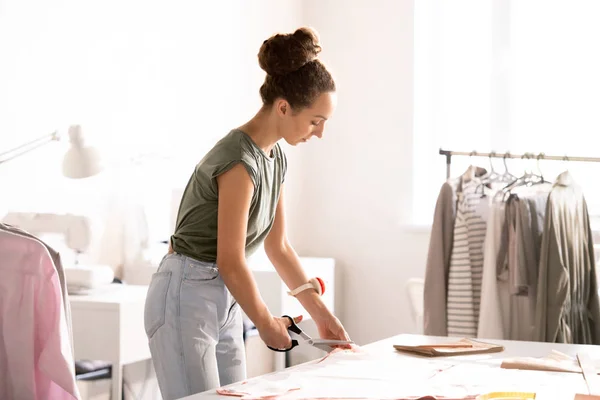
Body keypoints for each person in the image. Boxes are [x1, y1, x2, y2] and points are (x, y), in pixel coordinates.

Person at [143, 26, 351, 399]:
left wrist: (324, 316)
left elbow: (279, 248)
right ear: (283, 107)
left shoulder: (275, 159)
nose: (318, 133)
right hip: (185, 294)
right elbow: (231, 260)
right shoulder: (239, 161)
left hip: (223, 298)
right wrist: (267, 324)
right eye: (315, 121)